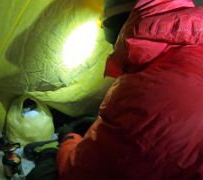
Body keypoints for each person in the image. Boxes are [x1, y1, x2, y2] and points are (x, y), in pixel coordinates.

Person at [56, 0, 203, 179]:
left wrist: (69, 140)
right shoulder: (194, 46)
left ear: (118, 31)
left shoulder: (142, 92)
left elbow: (78, 172)